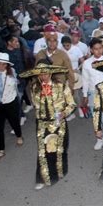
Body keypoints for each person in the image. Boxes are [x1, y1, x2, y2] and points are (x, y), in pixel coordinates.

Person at [19, 61, 76, 190]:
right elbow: (35, 105)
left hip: (58, 123)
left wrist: (64, 113)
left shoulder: (61, 86)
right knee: (43, 151)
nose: (43, 76)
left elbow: (72, 104)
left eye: (46, 73)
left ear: (50, 72)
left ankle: (59, 171)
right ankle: (42, 177)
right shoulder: (34, 88)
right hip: (42, 124)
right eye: (41, 73)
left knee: (59, 148)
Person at [81, 38, 103, 150]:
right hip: (93, 93)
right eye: (95, 49)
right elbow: (85, 80)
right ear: (91, 50)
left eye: (100, 48)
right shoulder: (86, 63)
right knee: (96, 118)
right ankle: (99, 139)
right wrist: (85, 95)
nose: (98, 51)